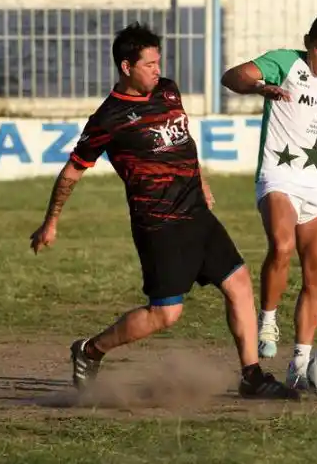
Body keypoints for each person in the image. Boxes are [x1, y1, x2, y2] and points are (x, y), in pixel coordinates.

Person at [28, 22, 297, 401]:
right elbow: (73, 170)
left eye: (158, 62)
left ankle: (251, 375)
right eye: (149, 64)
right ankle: (90, 350)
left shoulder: (168, 90)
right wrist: (50, 221)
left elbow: (183, 141)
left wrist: (199, 180)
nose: (158, 69)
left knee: (238, 284)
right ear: (126, 67)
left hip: (197, 213)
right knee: (166, 315)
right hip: (159, 225)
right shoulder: (109, 118)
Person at [220, 10, 317, 390]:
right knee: (282, 245)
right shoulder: (284, 62)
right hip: (278, 176)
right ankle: (267, 319)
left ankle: (301, 361)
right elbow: (232, 77)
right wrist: (259, 87)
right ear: (309, 41)